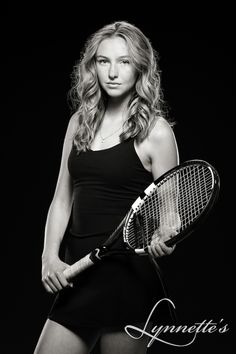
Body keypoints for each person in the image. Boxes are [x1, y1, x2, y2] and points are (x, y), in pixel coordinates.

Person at [34, 20, 179, 354]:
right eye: (104, 61)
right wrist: (49, 258)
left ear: (139, 67)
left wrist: (165, 236)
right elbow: (62, 199)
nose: (113, 72)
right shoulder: (79, 122)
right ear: (93, 67)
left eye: (124, 61)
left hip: (127, 280)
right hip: (78, 274)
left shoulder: (156, 132)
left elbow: (171, 214)